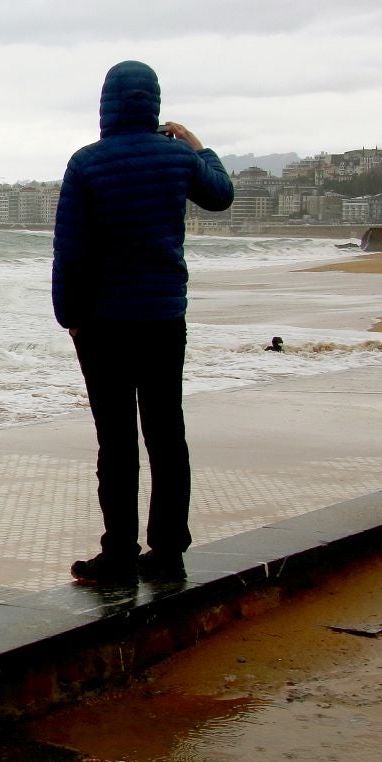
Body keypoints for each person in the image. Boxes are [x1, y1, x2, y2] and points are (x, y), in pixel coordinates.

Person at [52, 60, 235, 587]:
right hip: (162, 317)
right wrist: (199, 146)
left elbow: (70, 250)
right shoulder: (177, 157)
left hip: (102, 324)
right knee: (166, 435)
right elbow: (220, 195)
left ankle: (118, 557)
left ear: (106, 103)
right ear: (153, 102)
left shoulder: (87, 163)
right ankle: (168, 555)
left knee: (116, 442)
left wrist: (69, 316)